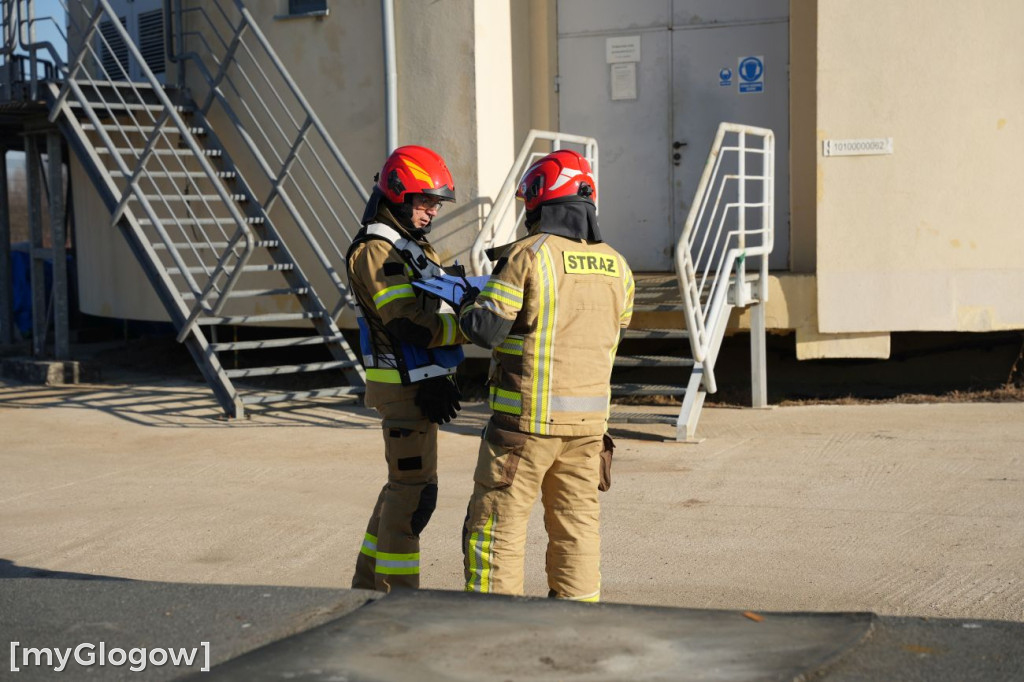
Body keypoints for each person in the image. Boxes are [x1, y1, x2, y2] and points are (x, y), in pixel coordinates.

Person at [457, 149, 634, 601]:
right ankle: (577, 629)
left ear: (541, 202)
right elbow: (616, 325)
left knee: (497, 532)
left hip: (523, 431)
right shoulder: (618, 265)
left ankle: (495, 631)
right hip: (589, 432)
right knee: (577, 531)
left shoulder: (526, 256)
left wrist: (464, 302)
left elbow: (486, 329)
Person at [346, 145, 467, 592]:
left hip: (417, 382)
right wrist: (468, 328)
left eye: (436, 203)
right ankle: (399, 601)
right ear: (396, 194)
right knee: (412, 495)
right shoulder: (377, 250)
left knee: (403, 489)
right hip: (402, 387)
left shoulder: (407, 245)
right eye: (423, 201)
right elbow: (404, 321)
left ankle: (367, 589)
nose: (431, 211)